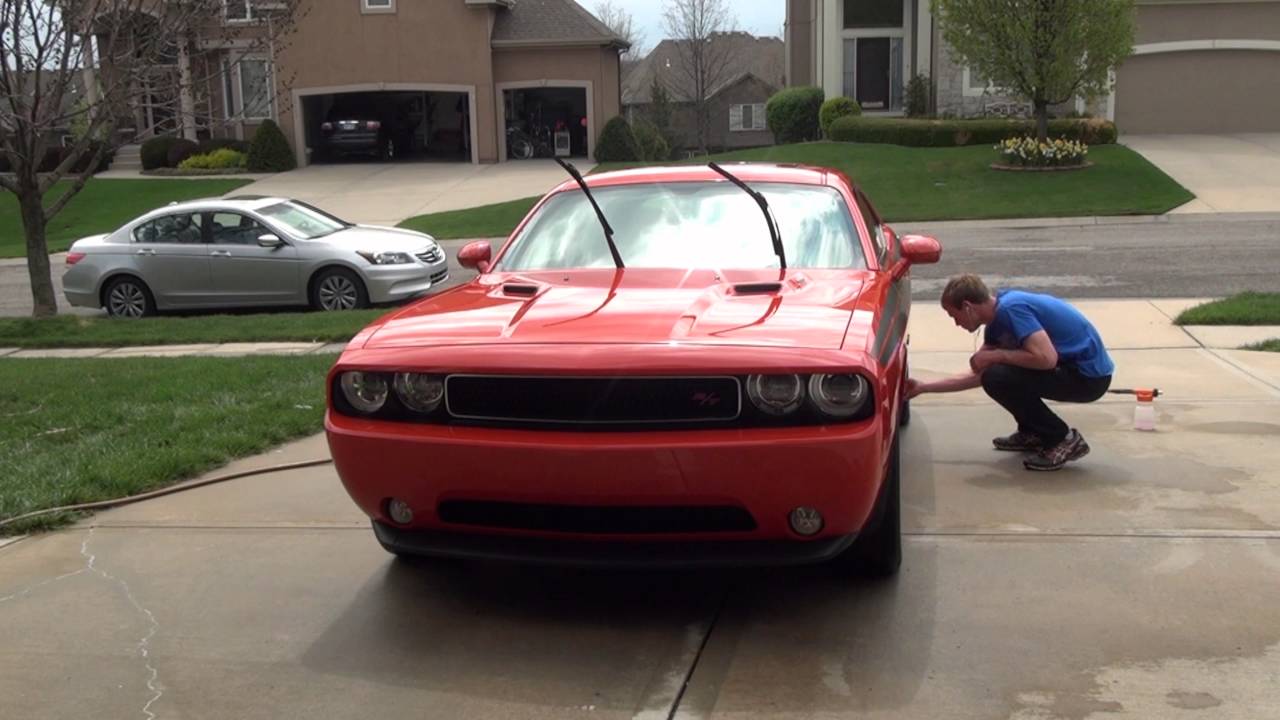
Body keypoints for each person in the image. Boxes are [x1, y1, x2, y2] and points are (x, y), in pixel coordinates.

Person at [907, 274, 1114, 471]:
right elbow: (979, 375)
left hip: (1088, 378)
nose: (956, 323)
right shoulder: (997, 321)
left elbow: (1046, 359)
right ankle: (1033, 432)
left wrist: (998, 355)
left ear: (968, 307)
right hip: (1071, 371)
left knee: (998, 377)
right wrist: (923, 387)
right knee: (996, 376)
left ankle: (1062, 439)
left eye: (954, 315)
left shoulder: (1011, 309)